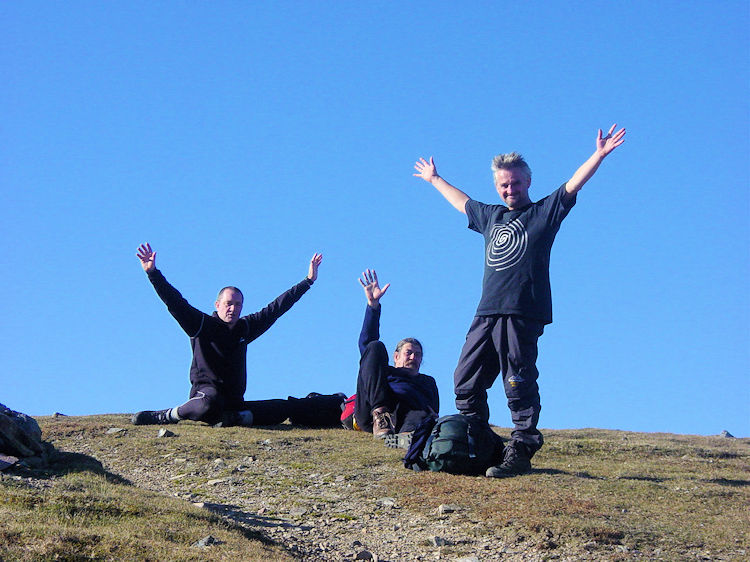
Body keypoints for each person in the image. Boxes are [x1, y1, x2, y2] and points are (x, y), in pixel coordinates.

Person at [413, 124, 626, 477]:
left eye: (515, 183)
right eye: (503, 185)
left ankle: (522, 450)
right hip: (486, 312)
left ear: (527, 182)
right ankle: (475, 444)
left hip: (522, 312)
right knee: (465, 381)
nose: (509, 189)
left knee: (518, 382)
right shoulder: (492, 217)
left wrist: (599, 155)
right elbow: (461, 201)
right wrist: (435, 179)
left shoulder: (543, 213)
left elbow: (573, 184)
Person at [131, 242, 334, 427]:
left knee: (282, 407)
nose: (233, 309)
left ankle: (234, 418)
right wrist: (153, 273)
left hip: (235, 402)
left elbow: (276, 308)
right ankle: (168, 415)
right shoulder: (201, 325)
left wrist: (308, 281)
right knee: (208, 405)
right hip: (206, 396)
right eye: (229, 304)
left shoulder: (245, 328)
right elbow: (175, 302)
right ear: (217, 305)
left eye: (238, 305)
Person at [354, 269, 439, 442]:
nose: (413, 358)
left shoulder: (427, 382)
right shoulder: (386, 372)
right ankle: (381, 417)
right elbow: (367, 346)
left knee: (422, 414)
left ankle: (406, 439)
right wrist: (373, 306)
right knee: (375, 346)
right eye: (409, 353)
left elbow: (432, 410)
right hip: (373, 413)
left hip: (405, 419)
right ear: (396, 356)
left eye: (418, 355)